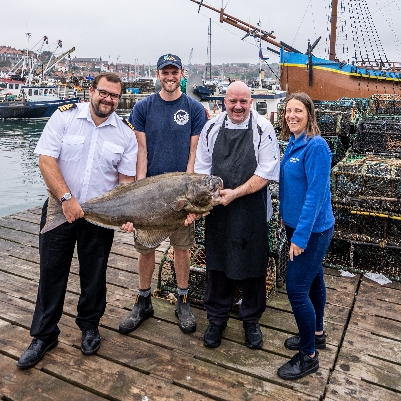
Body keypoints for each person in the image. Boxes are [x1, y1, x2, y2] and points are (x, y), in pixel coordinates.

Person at [17, 73, 138, 369]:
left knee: (94, 274)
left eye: (114, 96)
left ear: (119, 100)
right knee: (51, 271)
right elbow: (46, 159)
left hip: (100, 216)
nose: (107, 99)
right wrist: (66, 199)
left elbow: (126, 182)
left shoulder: (125, 133)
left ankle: (89, 326)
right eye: (103, 93)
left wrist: (125, 214)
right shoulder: (64, 118)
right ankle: (44, 336)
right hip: (61, 207)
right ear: (91, 92)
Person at [118, 54, 208, 335]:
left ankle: (183, 300)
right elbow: (141, 152)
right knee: (145, 248)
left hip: (182, 195)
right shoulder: (144, 107)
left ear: (182, 74)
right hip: (151, 194)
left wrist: (193, 199)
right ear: (158, 75)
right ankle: (143, 300)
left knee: (182, 249)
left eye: (174, 72)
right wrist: (138, 195)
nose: (170, 77)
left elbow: (194, 154)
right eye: (165, 72)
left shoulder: (194, 109)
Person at [191, 81, 280, 349]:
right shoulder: (212, 127)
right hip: (219, 209)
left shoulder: (263, 128)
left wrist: (236, 193)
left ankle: (251, 319)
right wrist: (209, 199)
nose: (238, 107)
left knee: (254, 266)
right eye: (233, 101)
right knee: (217, 263)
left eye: (243, 101)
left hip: (252, 209)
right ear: (224, 101)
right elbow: (202, 169)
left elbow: (266, 172)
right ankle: (216, 319)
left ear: (251, 102)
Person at [277, 92, 334, 380]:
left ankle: (309, 356)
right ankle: (317, 332)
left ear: (309, 114)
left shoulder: (317, 147)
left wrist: (299, 237)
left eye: (298, 110)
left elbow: (315, 194)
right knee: (314, 280)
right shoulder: (293, 143)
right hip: (296, 226)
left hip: (311, 230)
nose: (292, 116)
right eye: (288, 111)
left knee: (296, 289)